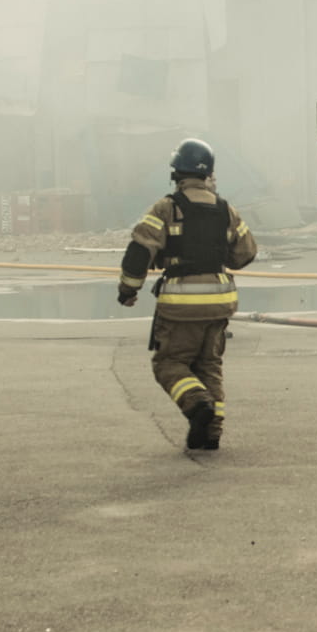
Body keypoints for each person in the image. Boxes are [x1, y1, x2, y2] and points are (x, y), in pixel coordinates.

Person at [117, 138, 258, 451]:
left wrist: (128, 289)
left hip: (182, 304)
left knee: (169, 363)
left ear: (176, 172)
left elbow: (140, 250)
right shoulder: (227, 210)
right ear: (209, 173)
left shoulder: (167, 208)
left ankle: (197, 406)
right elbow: (246, 253)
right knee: (209, 366)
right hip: (220, 301)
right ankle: (209, 434)